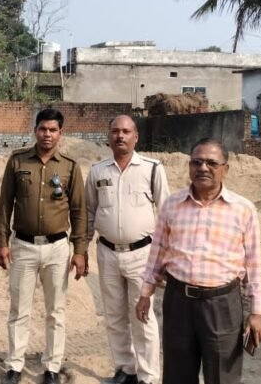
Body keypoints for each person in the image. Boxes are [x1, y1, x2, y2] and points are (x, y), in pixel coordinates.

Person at [135, 138, 261, 384]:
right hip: (178, 302)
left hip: (222, 304)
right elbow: (158, 251)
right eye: (196, 162)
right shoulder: (172, 204)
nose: (203, 168)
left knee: (222, 377)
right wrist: (145, 293)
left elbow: (254, 263)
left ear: (225, 169)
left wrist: (257, 312)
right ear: (189, 166)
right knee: (177, 375)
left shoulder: (243, 209)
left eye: (211, 163)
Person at [0, 108, 87, 384]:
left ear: (60, 133)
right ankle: (15, 364)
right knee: (19, 309)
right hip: (23, 246)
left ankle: (52, 367)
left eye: (53, 130)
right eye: (43, 129)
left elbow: (79, 211)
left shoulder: (70, 166)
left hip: (57, 248)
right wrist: (2, 243)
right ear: (35, 130)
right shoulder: (18, 160)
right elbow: (5, 205)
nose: (47, 134)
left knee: (55, 311)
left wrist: (79, 250)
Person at [86, 115, 169, 384]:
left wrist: (165, 259)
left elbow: (166, 215)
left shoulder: (152, 169)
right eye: (115, 131)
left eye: (126, 131)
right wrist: (81, 249)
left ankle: (148, 376)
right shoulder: (97, 171)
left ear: (136, 137)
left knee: (142, 316)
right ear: (108, 136)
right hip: (107, 253)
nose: (120, 136)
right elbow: (89, 213)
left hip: (142, 255)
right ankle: (125, 369)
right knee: (114, 315)